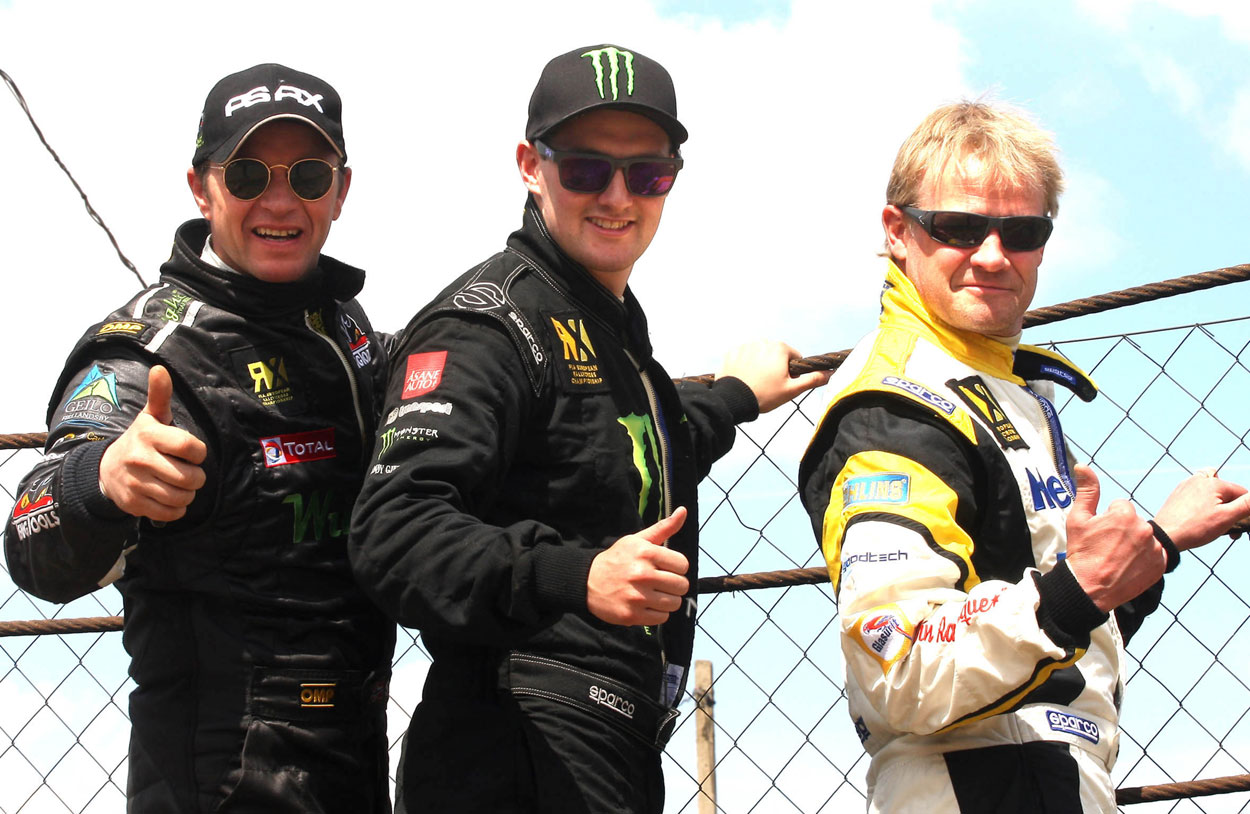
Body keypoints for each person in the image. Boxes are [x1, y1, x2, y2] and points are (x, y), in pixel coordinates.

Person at [349, 43, 827, 813]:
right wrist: (577, 575)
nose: (617, 195)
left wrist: (736, 395)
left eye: (648, 173)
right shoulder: (487, 325)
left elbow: (627, 449)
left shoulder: (604, 325)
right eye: (584, 169)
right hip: (513, 747)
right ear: (529, 167)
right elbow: (394, 533)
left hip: (606, 744)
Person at [797, 100, 1250, 813]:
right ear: (897, 232)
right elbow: (902, 669)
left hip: (1044, 773)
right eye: (957, 227)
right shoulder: (900, 409)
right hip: (976, 781)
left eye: (1022, 232)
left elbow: (1051, 631)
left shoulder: (994, 385)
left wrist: (1155, 545)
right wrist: (1082, 586)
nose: (992, 255)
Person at [4, 64, 393, 812]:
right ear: (200, 188)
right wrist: (102, 480)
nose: (279, 201)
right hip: (219, 776)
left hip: (357, 751)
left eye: (308, 175)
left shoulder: (346, 329)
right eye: (247, 175)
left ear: (341, 191)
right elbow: (28, 540)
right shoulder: (148, 351)